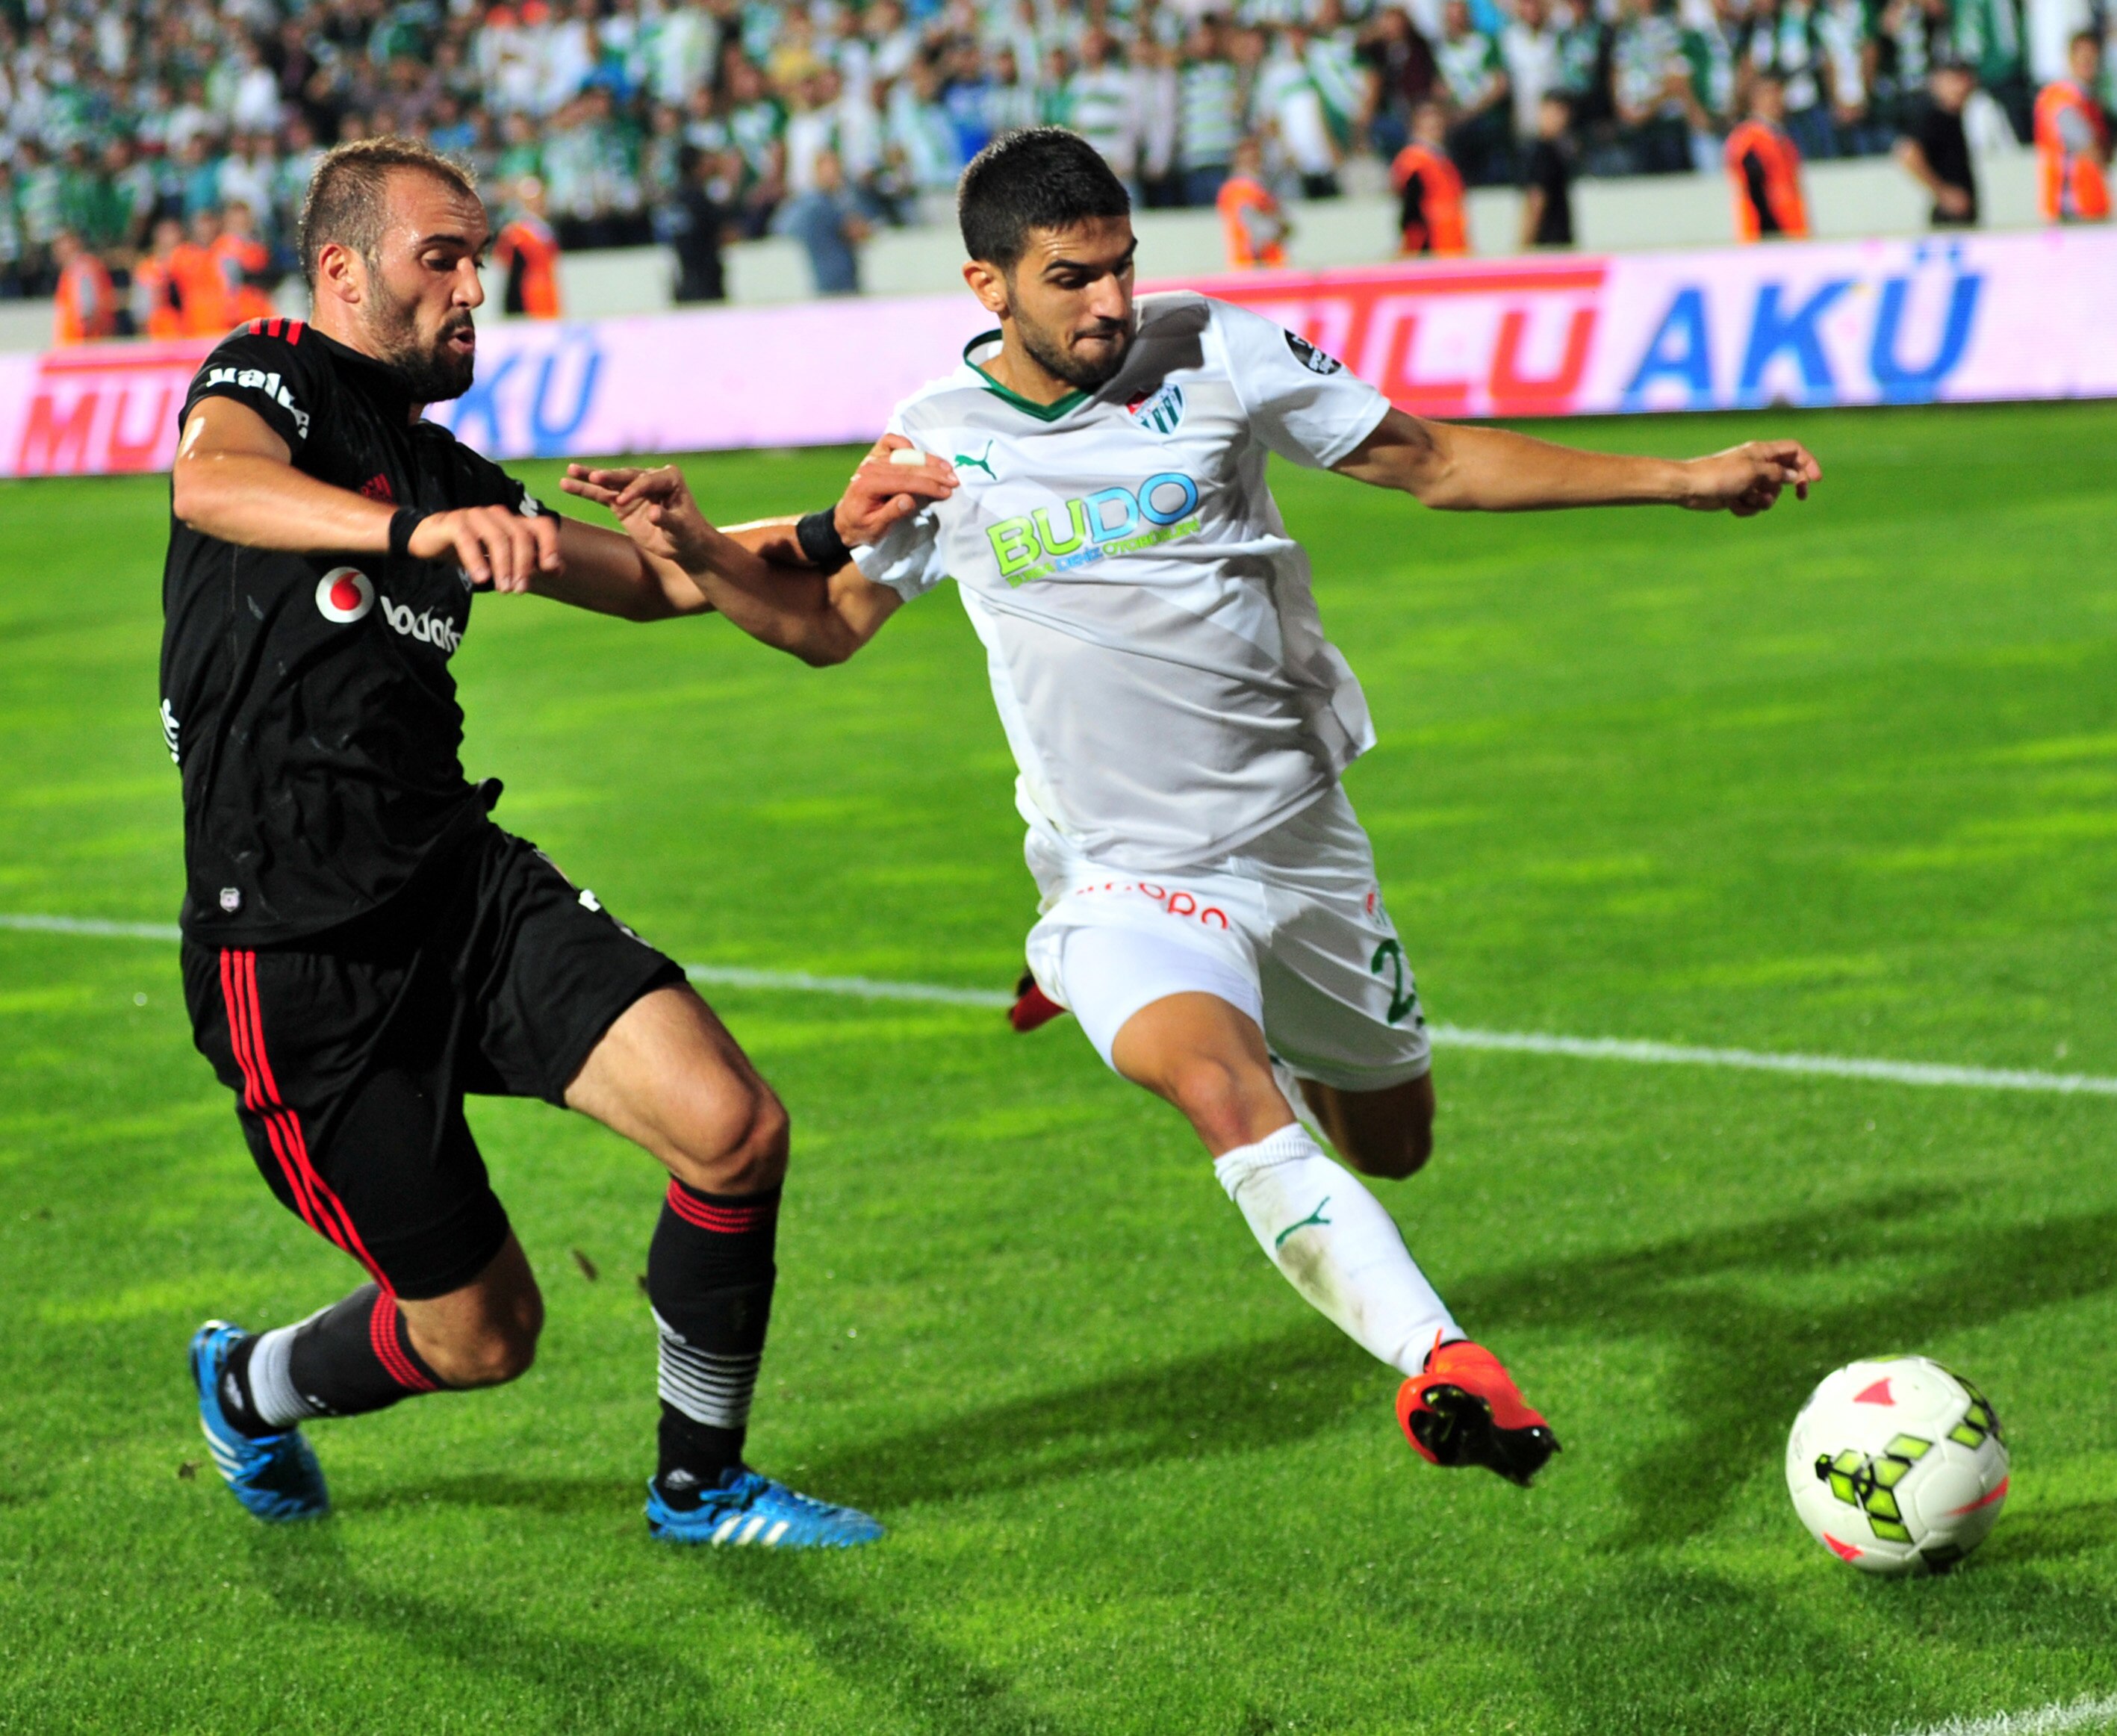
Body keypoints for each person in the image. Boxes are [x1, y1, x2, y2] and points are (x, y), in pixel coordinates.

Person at [562, 128, 1822, 1487]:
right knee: (1225, 1093)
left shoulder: (1217, 346)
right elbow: (826, 627)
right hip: (1123, 876)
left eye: (1120, 269)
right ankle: (1440, 1361)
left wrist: (1686, 477)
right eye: (1070, 280)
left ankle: (1221, 1017)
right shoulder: (938, 441)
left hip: (1300, 840)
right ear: (988, 285)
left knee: (1392, 1146)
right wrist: (700, 548)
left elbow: (1434, 461)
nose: (1109, 304)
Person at [170, 136, 902, 1550]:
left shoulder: (440, 462)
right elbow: (213, 486)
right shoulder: (272, 373)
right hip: (298, 955)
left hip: (462, 884)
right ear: (342, 270)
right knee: (484, 1336)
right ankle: (251, 1385)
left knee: (733, 1129)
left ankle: (702, 1487)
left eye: (480, 263)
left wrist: (824, 526)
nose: (471, 289)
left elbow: (635, 584)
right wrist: (414, 534)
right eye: (440, 258)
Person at [2033, 31, 2111, 223]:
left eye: (2093, 58)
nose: (2089, 64)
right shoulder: (2063, 100)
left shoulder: (2088, 100)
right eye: (2084, 58)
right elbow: (2092, 150)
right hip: (2072, 206)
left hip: (2088, 205)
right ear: (2070, 58)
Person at [1726, 73, 1811, 240]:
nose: (1774, 99)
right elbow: (1756, 192)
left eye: (1778, 92)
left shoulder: (1782, 139)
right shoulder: (1749, 140)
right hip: (1768, 236)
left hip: (1792, 232)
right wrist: (1773, 235)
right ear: (1752, 101)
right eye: (1767, 93)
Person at [1897, 57, 1980, 226]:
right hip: (1950, 217)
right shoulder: (1934, 118)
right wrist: (1943, 193)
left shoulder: (1959, 116)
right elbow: (1907, 153)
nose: (1961, 86)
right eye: (1954, 80)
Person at [1391, 102, 1470, 256]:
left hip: (1450, 245)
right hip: (1431, 247)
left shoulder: (1442, 160)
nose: (1435, 124)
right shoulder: (1414, 162)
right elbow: (1412, 214)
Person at [1216, 137, 1291, 270]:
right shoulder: (1237, 189)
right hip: (1252, 265)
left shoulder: (1263, 188)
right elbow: (1253, 229)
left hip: (1271, 264)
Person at [494, 177, 564, 317]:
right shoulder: (516, 231)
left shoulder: (545, 229)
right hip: (528, 290)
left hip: (547, 286)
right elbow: (505, 263)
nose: (537, 203)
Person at [1519, 92, 1578, 247]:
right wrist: (1525, 242)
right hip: (1547, 243)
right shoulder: (1541, 152)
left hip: (1558, 241)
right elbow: (1536, 198)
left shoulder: (1557, 150)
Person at [52, 231, 118, 345]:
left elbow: (87, 310)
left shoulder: (82, 270)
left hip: (83, 345)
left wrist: (85, 344)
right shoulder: (73, 271)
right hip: (76, 344)